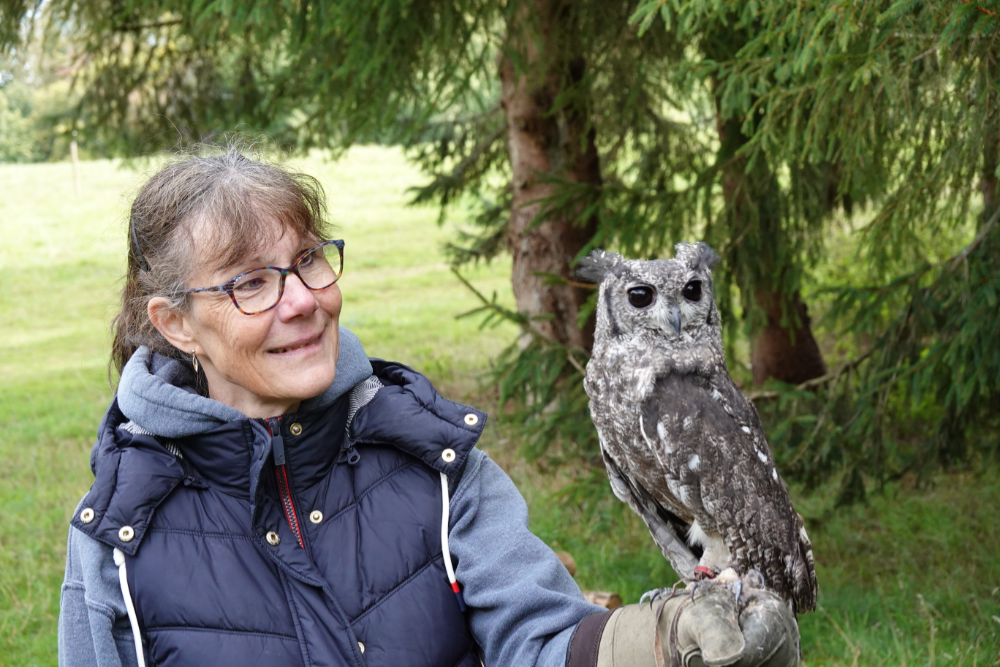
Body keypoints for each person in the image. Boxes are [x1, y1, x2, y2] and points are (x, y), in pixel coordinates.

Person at [58, 148, 800, 667]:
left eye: (310, 260)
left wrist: (663, 641)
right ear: (176, 322)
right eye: (251, 283)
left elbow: (537, 642)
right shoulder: (118, 537)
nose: (302, 302)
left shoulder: (435, 467)